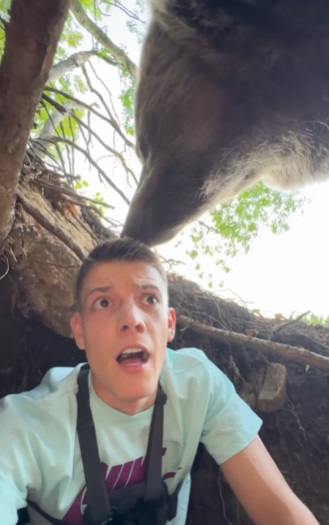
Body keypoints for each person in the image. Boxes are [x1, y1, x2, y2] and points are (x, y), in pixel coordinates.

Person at [0, 238, 319, 525]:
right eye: (104, 302)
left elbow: (282, 512)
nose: (131, 320)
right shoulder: (27, 426)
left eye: (149, 299)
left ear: (169, 325)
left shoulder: (197, 385)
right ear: (79, 330)